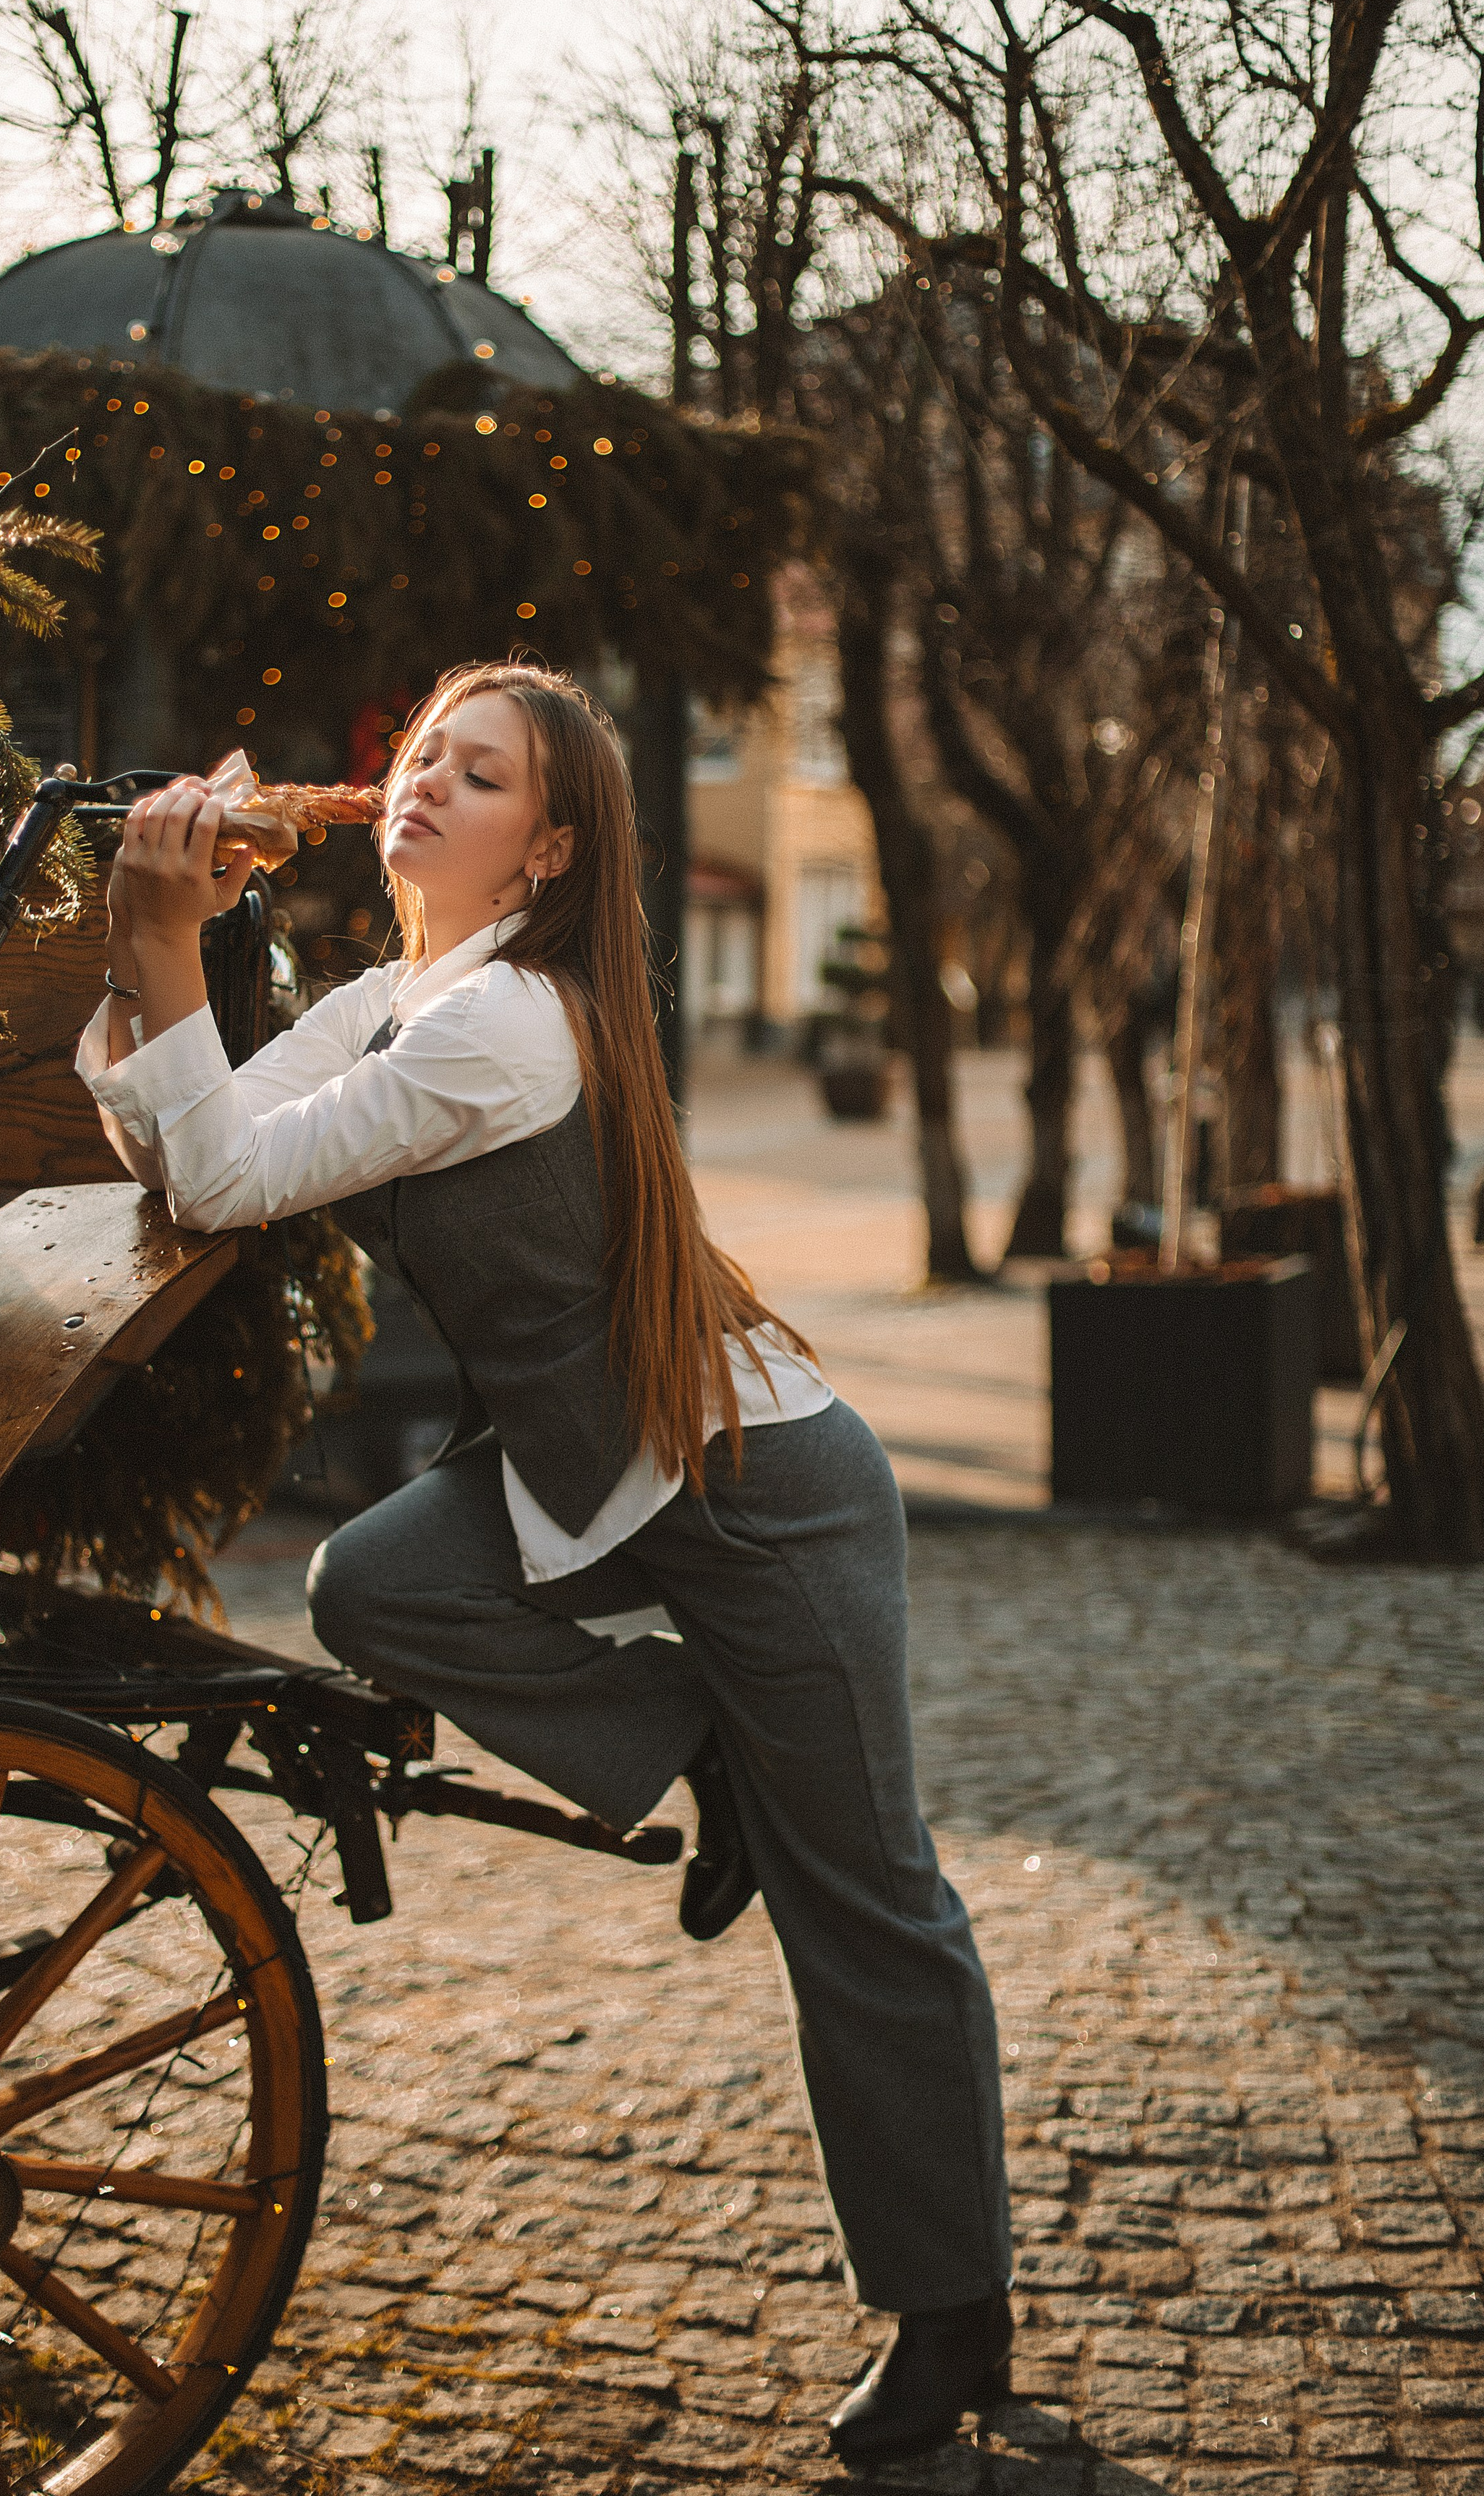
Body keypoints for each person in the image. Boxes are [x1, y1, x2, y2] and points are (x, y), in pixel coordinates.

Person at [76, 659, 1015, 2459]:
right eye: (420, 753)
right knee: (376, 1587)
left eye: (478, 773)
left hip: (763, 1491)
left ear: (547, 848)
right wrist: (150, 946)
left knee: (864, 1908)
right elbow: (185, 1140)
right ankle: (698, 1750)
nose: (422, 782)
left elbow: (209, 1178)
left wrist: (162, 934)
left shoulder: (506, 1026)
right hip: (588, 1465)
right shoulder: (399, 995)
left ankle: (951, 2314)